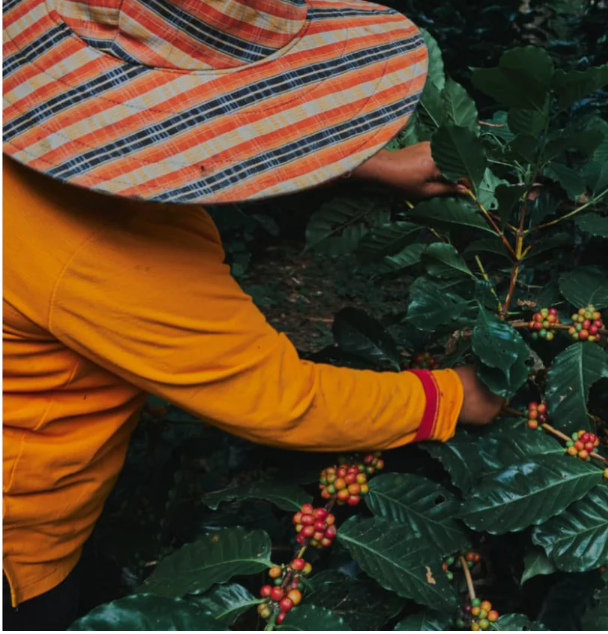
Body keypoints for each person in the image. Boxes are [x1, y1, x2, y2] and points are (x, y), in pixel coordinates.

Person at [2, 0, 505, 628]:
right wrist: (452, 398)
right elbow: (283, 400)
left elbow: (166, 143)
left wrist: (369, 164)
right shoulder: (107, 250)